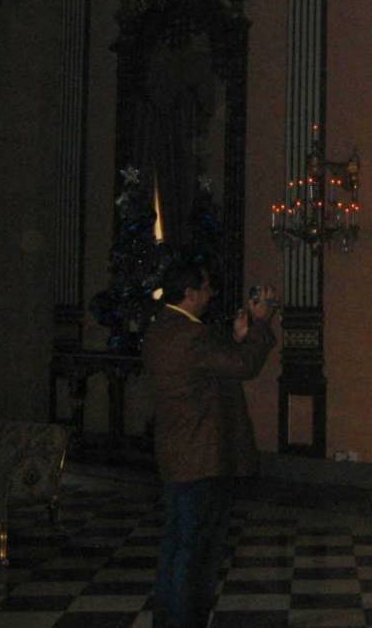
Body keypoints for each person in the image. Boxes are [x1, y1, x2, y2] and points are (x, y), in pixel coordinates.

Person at [143, 261, 277, 628]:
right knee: (196, 553)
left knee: (178, 546)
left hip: (180, 453)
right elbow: (244, 366)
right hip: (201, 457)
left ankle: (168, 620)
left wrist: (236, 339)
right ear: (189, 293)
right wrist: (260, 324)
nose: (211, 293)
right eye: (205, 288)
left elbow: (212, 369)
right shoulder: (189, 334)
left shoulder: (162, 328)